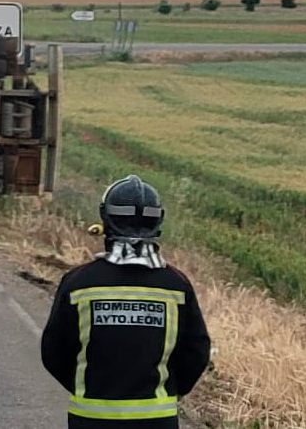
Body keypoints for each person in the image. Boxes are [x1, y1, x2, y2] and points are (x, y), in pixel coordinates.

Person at [41, 175, 210, 429]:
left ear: (106, 219)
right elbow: (196, 352)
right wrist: (171, 389)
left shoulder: (79, 283)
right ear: (157, 220)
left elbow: (54, 352)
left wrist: (87, 386)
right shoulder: (177, 286)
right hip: (156, 421)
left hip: (91, 421)